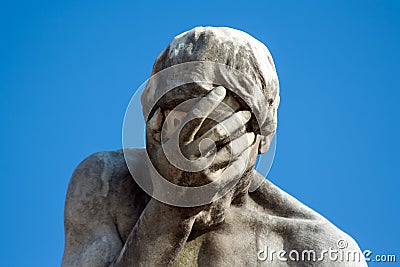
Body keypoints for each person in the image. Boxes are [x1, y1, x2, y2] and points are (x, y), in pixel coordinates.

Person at [62, 27, 366, 266]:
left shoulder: (317, 251)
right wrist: (171, 208)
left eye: (224, 136)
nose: (198, 152)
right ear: (153, 123)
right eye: (183, 125)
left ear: (263, 138)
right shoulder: (107, 184)